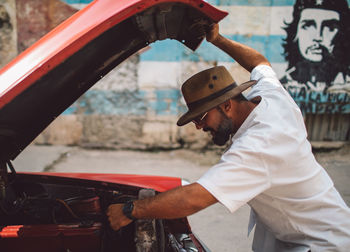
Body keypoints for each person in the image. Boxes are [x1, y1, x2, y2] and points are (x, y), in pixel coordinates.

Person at [107, 23, 350, 251]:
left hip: (322, 243)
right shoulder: (268, 96)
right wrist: (217, 39)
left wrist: (131, 210)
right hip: (299, 236)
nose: (199, 127)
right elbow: (260, 62)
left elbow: (194, 198)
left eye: (202, 118)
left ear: (226, 106)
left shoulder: (261, 143)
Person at [281, 0, 350, 92]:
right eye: (308, 25)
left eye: (330, 27)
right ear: (295, 34)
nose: (318, 37)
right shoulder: (280, 87)